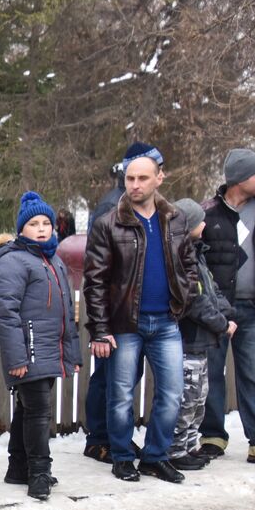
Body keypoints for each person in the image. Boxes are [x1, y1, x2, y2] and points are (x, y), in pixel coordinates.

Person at [83, 148, 196, 483]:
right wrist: (101, 329)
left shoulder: (175, 219)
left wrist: (182, 300)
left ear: (159, 178)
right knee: (120, 396)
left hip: (165, 323)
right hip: (125, 325)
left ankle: (155, 456)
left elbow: (189, 266)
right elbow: (95, 282)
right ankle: (121, 457)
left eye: (142, 178)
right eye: (130, 178)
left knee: (172, 392)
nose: (134, 184)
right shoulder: (109, 223)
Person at [198, 149, 255, 464]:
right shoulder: (207, 212)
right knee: (211, 373)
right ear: (239, 178)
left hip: (252, 307)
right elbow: (192, 256)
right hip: (215, 311)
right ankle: (211, 437)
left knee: (254, 373)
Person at [0, 192, 82, 500]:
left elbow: (66, 312)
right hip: (27, 352)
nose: (42, 229)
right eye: (33, 224)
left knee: (28, 410)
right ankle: (39, 473)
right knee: (39, 412)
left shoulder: (53, 260)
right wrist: (16, 357)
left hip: (48, 351)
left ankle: (18, 467)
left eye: (47, 223)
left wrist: (72, 354)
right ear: (21, 229)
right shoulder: (14, 261)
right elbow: (5, 313)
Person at [82, 144, 159, 464]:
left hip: (138, 310)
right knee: (109, 378)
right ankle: (100, 439)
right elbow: (98, 265)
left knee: (125, 378)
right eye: (134, 175)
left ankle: (115, 438)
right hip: (116, 311)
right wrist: (105, 317)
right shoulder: (111, 209)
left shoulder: (147, 208)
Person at [168, 198, 238, 470]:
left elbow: (213, 291)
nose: (205, 224)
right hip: (189, 340)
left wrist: (228, 313)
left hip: (202, 343)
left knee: (199, 397)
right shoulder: (183, 260)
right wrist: (221, 323)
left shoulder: (199, 255)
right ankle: (175, 449)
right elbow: (196, 302)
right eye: (199, 222)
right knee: (187, 397)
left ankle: (189, 443)